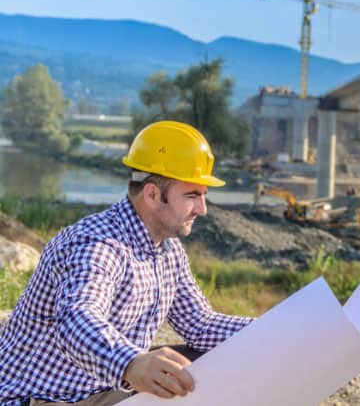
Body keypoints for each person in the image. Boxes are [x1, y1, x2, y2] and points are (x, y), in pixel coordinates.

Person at [0, 121, 254, 406]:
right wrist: (131, 364)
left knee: (214, 361)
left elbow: (201, 325)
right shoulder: (97, 244)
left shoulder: (169, 251)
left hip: (101, 391)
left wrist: (272, 331)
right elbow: (77, 317)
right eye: (192, 195)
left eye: (203, 196)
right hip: (43, 400)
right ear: (153, 195)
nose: (202, 209)